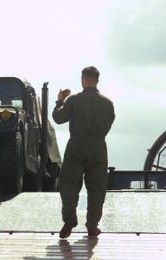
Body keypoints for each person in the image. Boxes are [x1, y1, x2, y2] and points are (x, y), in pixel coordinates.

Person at [52, 66, 115, 239]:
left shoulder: (73, 100)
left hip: (76, 147)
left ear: (83, 79)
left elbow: (58, 118)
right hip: (98, 148)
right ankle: (92, 226)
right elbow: (108, 124)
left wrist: (60, 101)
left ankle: (69, 222)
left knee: (69, 185)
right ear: (97, 80)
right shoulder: (108, 103)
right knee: (96, 189)